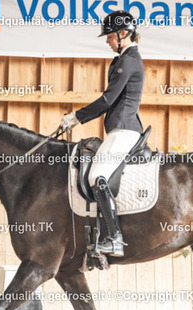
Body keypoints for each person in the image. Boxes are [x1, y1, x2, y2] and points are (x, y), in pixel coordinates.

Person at [60, 10, 144, 257]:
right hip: (118, 129)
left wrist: (77, 117)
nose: (107, 41)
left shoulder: (129, 61)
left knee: (97, 175)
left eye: (109, 36)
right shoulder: (122, 60)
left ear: (123, 33)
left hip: (125, 130)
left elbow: (108, 100)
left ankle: (115, 238)